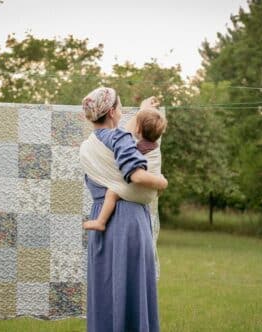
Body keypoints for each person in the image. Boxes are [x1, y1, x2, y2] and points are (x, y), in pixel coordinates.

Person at [80, 87, 166, 332]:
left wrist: (143, 112)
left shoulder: (90, 145)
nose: (122, 110)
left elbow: (127, 133)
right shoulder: (119, 139)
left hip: (101, 218)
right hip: (127, 220)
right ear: (112, 112)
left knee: (105, 291)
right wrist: (162, 182)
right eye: (119, 106)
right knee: (131, 288)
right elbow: (137, 175)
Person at [82, 106, 167, 231]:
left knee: (112, 193)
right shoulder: (153, 146)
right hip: (147, 196)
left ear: (138, 128)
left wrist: (162, 182)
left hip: (139, 193)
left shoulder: (140, 147)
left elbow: (124, 144)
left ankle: (101, 221)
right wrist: (143, 110)